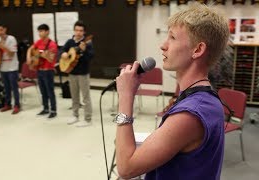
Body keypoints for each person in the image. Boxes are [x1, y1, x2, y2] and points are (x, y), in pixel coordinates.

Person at [114, 3, 229, 180]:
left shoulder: (190, 114)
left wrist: (126, 96)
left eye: (172, 38)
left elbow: (126, 168)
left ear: (198, 50)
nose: (163, 45)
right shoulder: (204, 99)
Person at [60, 20, 94, 127]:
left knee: (85, 97)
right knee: (74, 96)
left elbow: (91, 57)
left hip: (83, 73)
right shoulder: (70, 42)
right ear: (74, 31)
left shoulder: (87, 43)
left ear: (84, 32)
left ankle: (87, 119)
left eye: (81, 31)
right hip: (72, 73)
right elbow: (61, 51)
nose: (78, 32)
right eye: (77, 30)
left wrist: (84, 51)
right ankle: (75, 115)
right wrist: (63, 54)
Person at [27, 24, 58, 118]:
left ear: (47, 32)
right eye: (39, 31)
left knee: (50, 91)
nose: (40, 33)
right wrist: (29, 57)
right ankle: (45, 108)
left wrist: (42, 54)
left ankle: (53, 110)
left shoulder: (52, 44)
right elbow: (30, 49)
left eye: (42, 31)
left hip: (48, 71)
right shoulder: (38, 42)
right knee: (43, 91)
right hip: (39, 70)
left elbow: (51, 59)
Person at [0, 23, 20, 114]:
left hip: (12, 67)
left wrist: (3, 47)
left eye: (1, 30)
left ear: (5, 30)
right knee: (6, 87)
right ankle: (8, 104)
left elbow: (11, 53)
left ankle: (17, 105)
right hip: (2, 66)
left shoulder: (12, 39)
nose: (0, 32)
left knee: (14, 87)